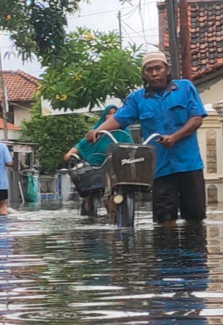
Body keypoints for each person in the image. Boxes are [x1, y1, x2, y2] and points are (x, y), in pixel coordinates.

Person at [86, 51, 207, 227]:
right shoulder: (137, 99)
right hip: (160, 167)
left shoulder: (185, 88)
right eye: (149, 70)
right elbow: (120, 119)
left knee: (195, 217)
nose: (154, 73)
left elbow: (196, 118)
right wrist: (97, 130)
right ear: (144, 74)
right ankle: (167, 253)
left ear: (167, 69)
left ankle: (194, 254)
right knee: (164, 219)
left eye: (158, 68)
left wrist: (174, 137)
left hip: (189, 163)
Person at [64, 105, 133, 165]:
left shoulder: (125, 132)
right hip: (97, 170)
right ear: (104, 116)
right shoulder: (97, 131)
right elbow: (81, 144)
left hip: (119, 169)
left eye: (115, 113)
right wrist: (70, 154)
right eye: (109, 113)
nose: (112, 116)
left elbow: (131, 150)